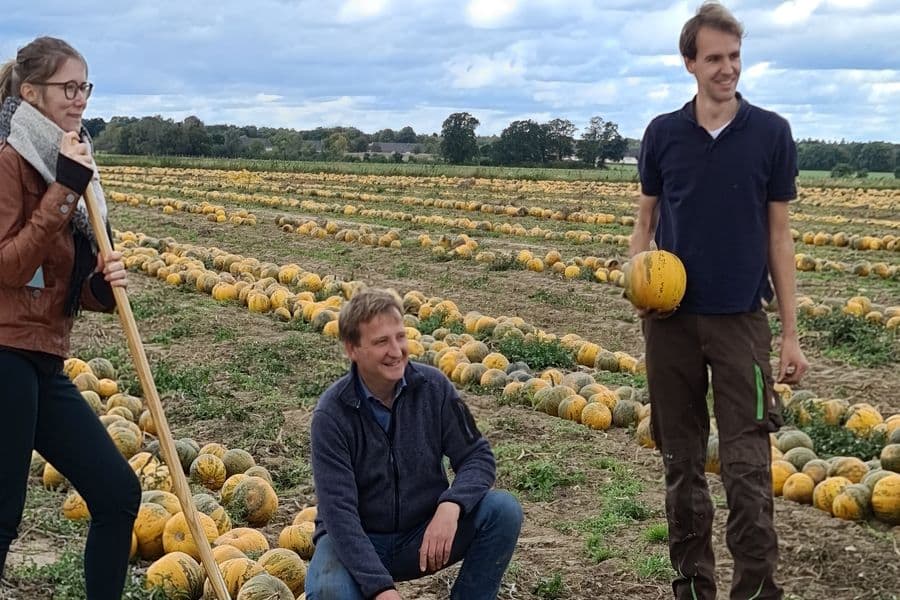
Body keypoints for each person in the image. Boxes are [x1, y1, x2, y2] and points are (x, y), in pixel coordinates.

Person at [629, 3, 809, 599]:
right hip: (671, 325)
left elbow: (779, 237)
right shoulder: (663, 134)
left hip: (741, 324)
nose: (727, 68)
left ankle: (756, 591)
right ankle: (691, 588)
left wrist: (790, 334)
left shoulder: (770, 133)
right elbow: (645, 222)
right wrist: (637, 279)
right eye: (714, 58)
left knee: (748, 467)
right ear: (690, 63)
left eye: (734, 57)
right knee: (681, 464)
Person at [0, 36, 141, 598]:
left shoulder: (76, 164)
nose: (80, 98)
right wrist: (62, 190)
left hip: (41, 357)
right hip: (4, 352)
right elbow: (10, 266)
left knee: (117, 493)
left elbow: (57, 281)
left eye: (85, 87)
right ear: (31, 92)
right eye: (68, 87)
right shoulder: (10, 161)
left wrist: (100, 287)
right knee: (2, 514)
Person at [306, 288, 523, 600]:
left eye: (400, 337)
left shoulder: (434, 388)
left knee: (502, 511)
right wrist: (381, 589)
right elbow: (339, 513)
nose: (396, 351)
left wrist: (452, 504)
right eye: (382, 342)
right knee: (330, 591)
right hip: (357, 540)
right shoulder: (332, 414)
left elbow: (477, 455)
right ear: (353, 349)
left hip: (421, 535)